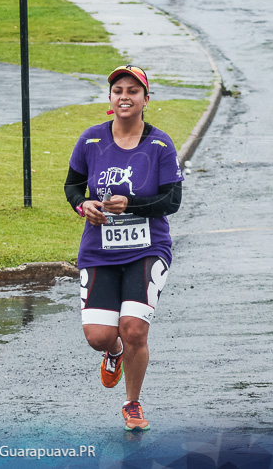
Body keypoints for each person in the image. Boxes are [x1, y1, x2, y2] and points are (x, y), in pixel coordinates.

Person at [64, 64, 184, 431]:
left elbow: (172, 200)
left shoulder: (160, 145)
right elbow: (72, 187)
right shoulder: (91, 140)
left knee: (133, 328)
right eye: (118, 90)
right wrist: (83, 206)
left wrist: (129, 206)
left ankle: (132, 403)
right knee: (100, 336)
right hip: (99, 249)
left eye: (133, 91)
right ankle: (112, 354)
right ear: (110, 99)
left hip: (147, 249)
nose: (125, 96)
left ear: (146, 99)